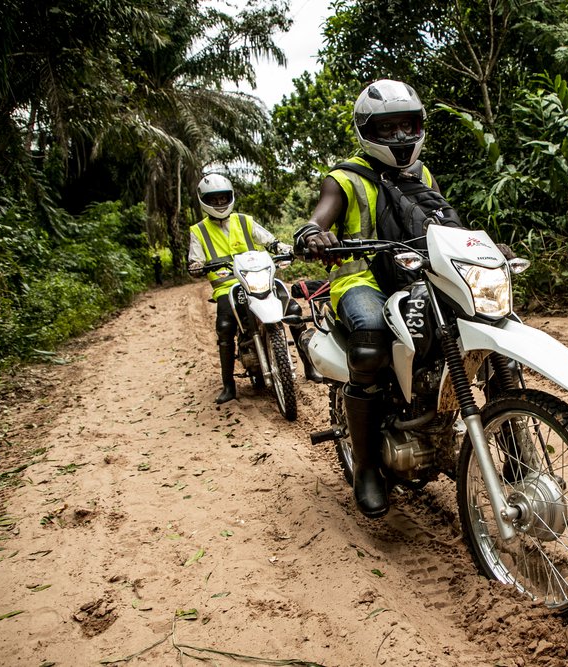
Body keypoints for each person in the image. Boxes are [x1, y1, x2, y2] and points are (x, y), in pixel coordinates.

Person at [294, 79, 511, 519]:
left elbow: (447, 227)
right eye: (386, 128)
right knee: (371, 338)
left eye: (407, 126)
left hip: (420, 275)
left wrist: (485, 249)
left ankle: (515, 444)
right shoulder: (344, 178)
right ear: (366, 131)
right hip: (362, 279)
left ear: (419, 126)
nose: (399, 136)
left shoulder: (422, 174)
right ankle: (367, 467)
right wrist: (314, 235)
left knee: (488, 329)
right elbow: (319, 218)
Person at [187, 173, 313, 404]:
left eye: (223, 198)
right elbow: (195, 259)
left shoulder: (245, 220)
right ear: (204, 201)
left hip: (260, 278)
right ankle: (228, 385)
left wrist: (284, 249)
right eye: (213, 199)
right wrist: (197, 266)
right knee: (225, 327)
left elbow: (269, 240)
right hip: (227, 286)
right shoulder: (199, 230)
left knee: (294, 311)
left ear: (230, 197)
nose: (219, 203)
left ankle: (310, 367)